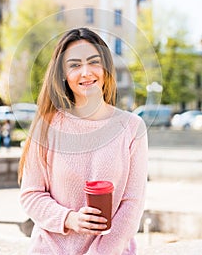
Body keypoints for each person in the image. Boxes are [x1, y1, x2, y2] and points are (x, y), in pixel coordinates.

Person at [19, 27, 148, 254]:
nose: (86, 72)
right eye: (75, 65)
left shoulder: (132, 127)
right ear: (63, 74)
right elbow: (31, 194)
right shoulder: (46, 126)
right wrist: (69, 219)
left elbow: (132, 204)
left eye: (93, 62)